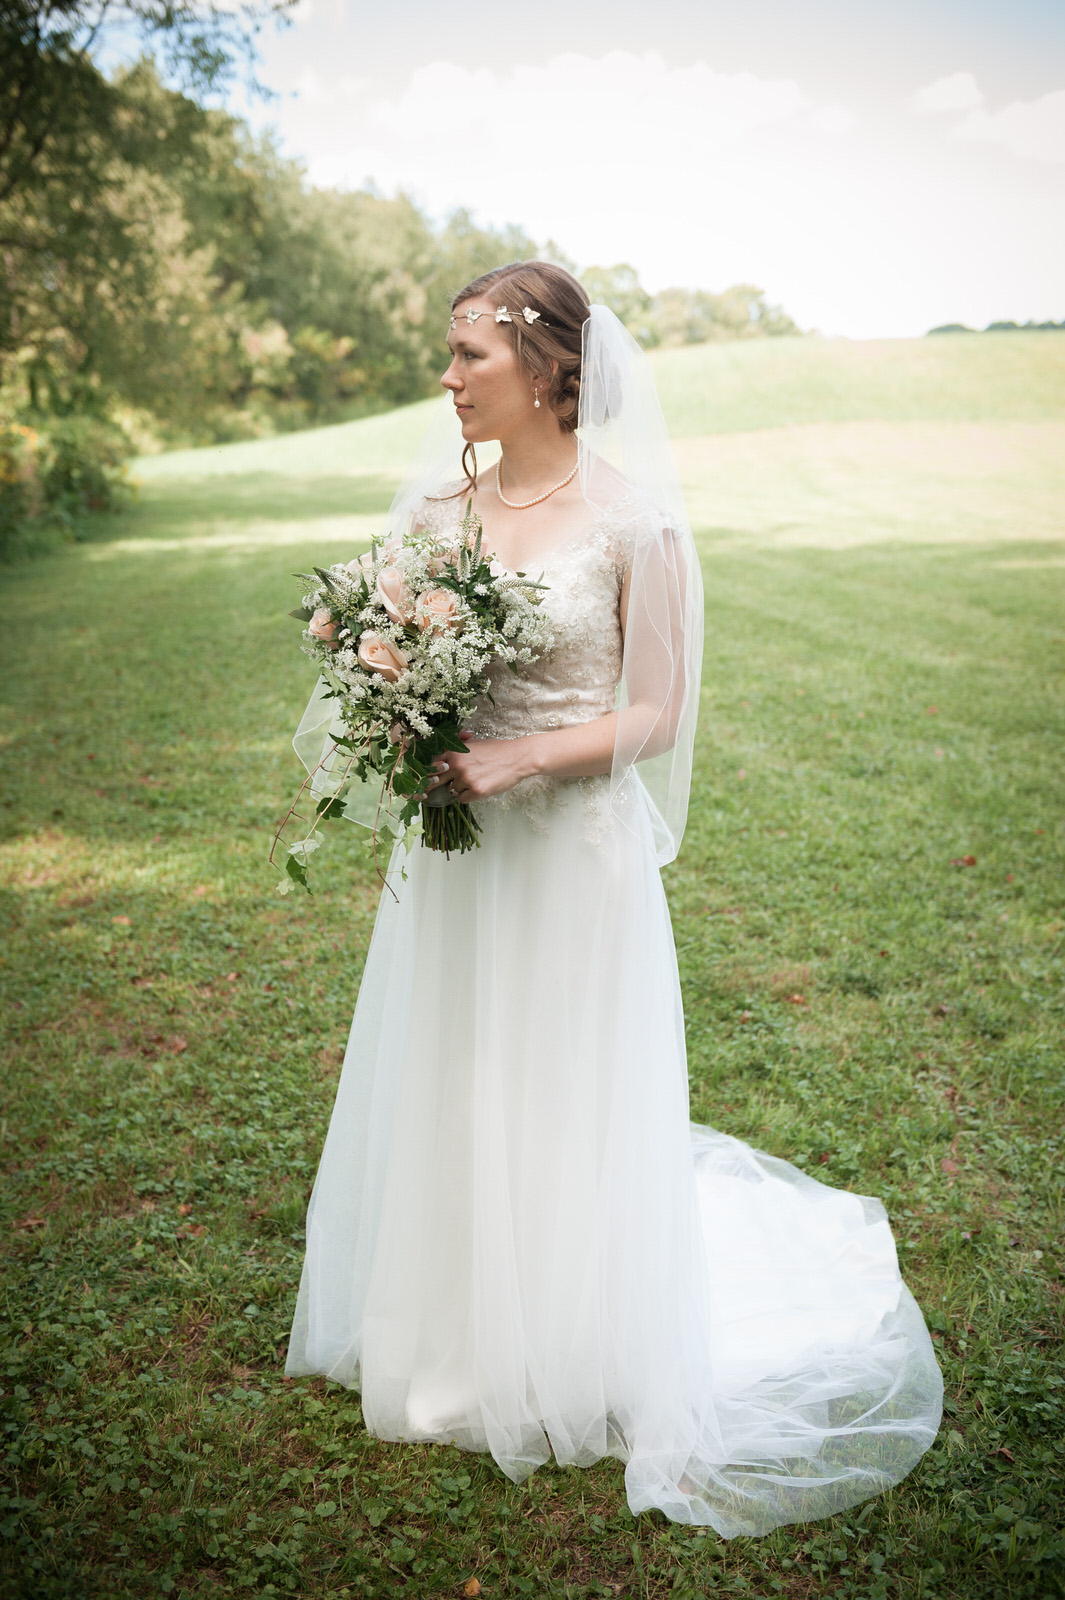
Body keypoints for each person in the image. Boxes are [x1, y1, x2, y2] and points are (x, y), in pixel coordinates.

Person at [284, 261, 942, 1536]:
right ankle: (458, 1331)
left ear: (547, 367)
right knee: (459, 1071)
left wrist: (523, 756)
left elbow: (656, 711)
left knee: (559, 1083)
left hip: (572, 851)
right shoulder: (433, 514)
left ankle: (574, 1338)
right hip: (461, 851)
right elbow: (394, 660)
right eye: (450, 354)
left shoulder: (637, 524)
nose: (447, 377)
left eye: (469, 354)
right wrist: (401, 720)